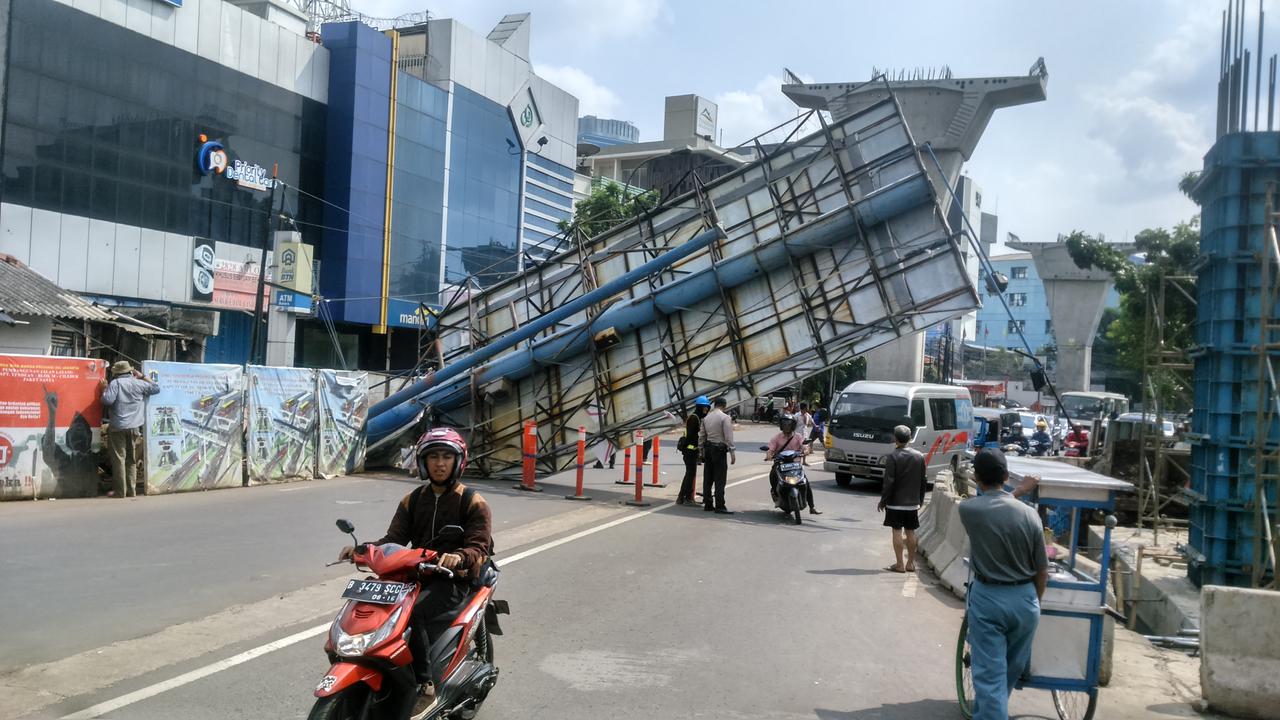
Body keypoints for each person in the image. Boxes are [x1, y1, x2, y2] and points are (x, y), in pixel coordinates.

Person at [338, 427, 492, 715]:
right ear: (423, 462)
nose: (439, 463)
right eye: (433, 457)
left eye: (446, 457)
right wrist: (362, 550)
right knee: (379, 609)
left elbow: (478, 547)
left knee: (414, 613)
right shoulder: (413, 499)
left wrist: (459, 557)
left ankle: (425, 685)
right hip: (416, 574)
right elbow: (393, 540)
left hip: (453, 579)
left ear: (458, 461)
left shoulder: (472, 501)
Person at [958, 449, 1049, 720]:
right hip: (1026, 601)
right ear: (1006, 476)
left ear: (976, 478)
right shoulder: (1031, 516)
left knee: (990, 679)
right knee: (1008, 673)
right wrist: (1034, 601)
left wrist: (1017, 492)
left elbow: (995, 506)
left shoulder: (969, 509)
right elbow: (1042, 571)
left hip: (989, 599)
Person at [99, 361, 159, 498]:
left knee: (119, 459)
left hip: (118, 427)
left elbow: (107, 401)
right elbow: (156, 388)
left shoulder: (115, 384)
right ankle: (131, 491)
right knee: (131, 460)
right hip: (134, 427)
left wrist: (104, 389)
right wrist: (142, 376)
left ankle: (120, 492)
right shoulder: (139, 383)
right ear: (130, 371)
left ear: (116, 373)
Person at [877, 425, 927, 572]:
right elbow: (923, 480)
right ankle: (910, 564)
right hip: (912, 503)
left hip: (895, 503)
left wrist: (883, 501)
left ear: (895, 438)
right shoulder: (919, 456)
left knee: (897, 531)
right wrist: (920, 499)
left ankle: (899, 564)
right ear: (910, 438)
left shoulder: (893, 456)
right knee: (911, 532)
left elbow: (889, 482)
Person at [765, 415, 822, 514]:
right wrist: (769, 455)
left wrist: (806, 450)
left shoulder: (798, 436)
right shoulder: (776, 438)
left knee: (806, 483)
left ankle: (812, 507)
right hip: (780, 464)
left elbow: (804, 445)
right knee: (772, 475)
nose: (786, 427)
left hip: (795, 464)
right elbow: (770, 449)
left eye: (789, 425)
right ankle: (776, 495)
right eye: (784, 424)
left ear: (793, 426)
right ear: (781, 425)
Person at [699, 396, 736, 514]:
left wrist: (701, 450)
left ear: (714, 405)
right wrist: (732, 452)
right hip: (719, 450)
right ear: (724, 406)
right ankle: (720, 505)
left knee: (708, 477)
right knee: (720, 479)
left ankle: (708, 504)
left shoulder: (706, 418)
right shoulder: (725, 417)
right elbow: (728, 437)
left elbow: (702, 436)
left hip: (708, 449)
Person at [677, 396, 711, 505]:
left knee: (690, 474)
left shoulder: (697, 417)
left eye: (707, 408)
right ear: (699, 407)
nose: (706, 410)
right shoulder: (694, 418)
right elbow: (692, 436)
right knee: (690, 474)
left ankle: (683, 497)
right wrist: (700, 445)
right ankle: (686, 498)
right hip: (690, 451)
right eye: (704, 408)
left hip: (691, 451)